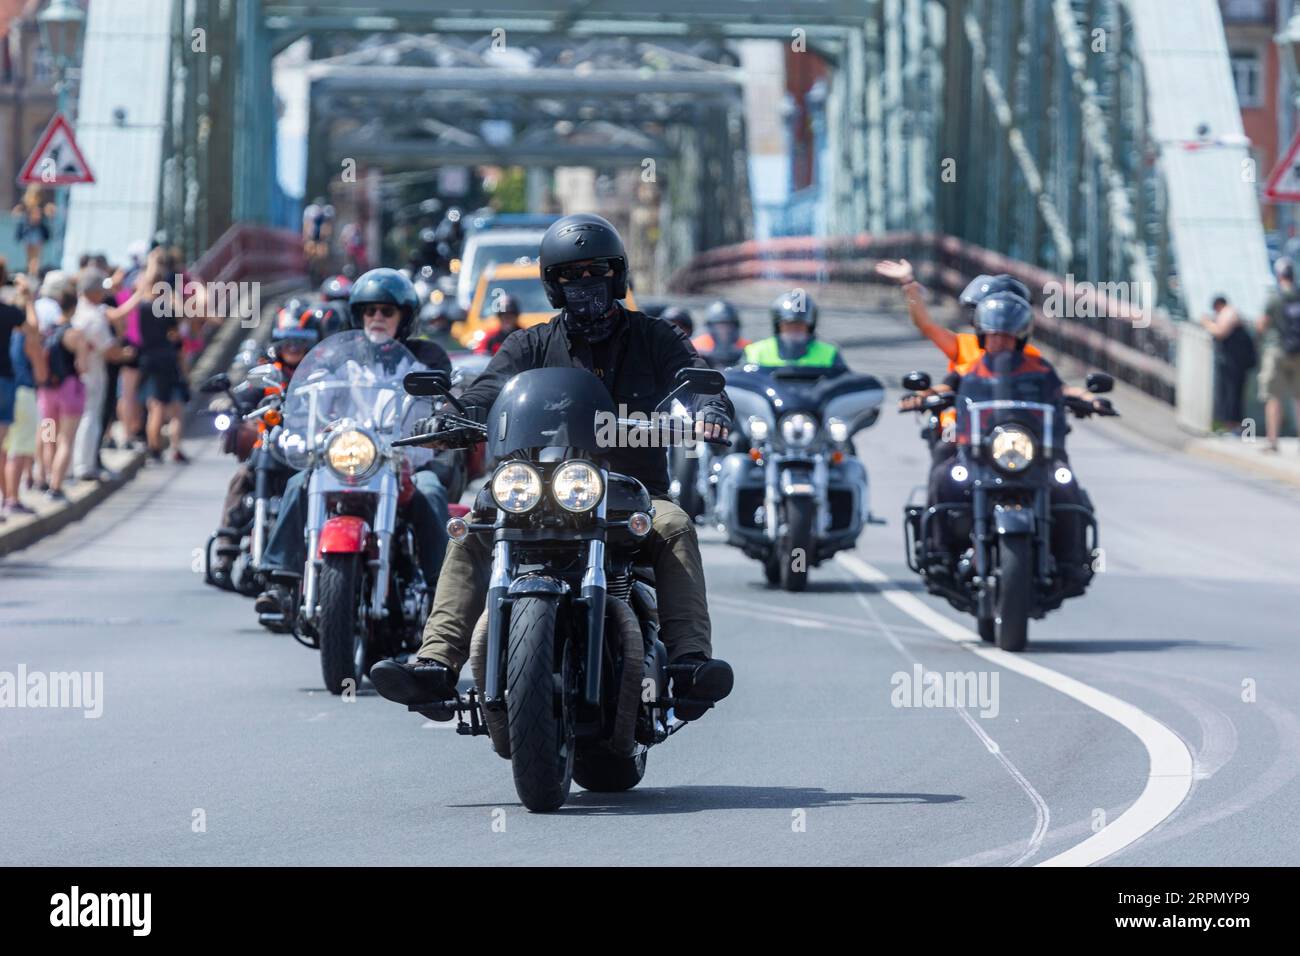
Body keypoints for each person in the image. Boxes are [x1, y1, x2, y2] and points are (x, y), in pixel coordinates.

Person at [369, 213, 735, 721]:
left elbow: (696, 379)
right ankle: (434, 665)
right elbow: (484, 392)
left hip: (632, 492)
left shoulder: (655, 337)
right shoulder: (530, 344)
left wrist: (709, 411)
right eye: (570, 276)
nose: (585, 284)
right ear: (553, 285)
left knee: (674, 524)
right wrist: (451, 416)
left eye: (596, 272)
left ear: (617, 276)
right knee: (472, 526)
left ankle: (690, 664)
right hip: (536, 491)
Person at [254, 269, 453, 621]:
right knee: (299, 483)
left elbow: (438, 401)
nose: (376, 318)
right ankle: (282, 581)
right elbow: (310, 394)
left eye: (386, 311)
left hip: (402, 457)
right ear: (358, 315)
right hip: (347, 457)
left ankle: (443, 592)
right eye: (369, 311)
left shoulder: (424, 357)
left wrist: (433, 425)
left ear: (403, 317)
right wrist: (302, 420)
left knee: (431, 490)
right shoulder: (338, 357)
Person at [916, 293, 1104, 594]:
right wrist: (924, 397)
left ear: (1019, 338)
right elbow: (947, 387)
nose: (999, 342)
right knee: (943, 477)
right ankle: (938, 553)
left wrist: (1089, 399)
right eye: (993, 336)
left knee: (1067, 486)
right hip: (982, 451)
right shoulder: (971, 370)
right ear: (981, 336)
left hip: (1033, 452)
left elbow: (1063, 389)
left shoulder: (1039, 368)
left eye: (1006, 336)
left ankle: (1072, 561)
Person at [211, 307, 321, 577]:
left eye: (300, 341)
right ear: (277, 343)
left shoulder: (321, 374)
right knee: (240, 479)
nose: (294, 347)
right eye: (288, 340)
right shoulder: (267, 373)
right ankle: (225, 553)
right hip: (271, 445)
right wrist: (227, 404)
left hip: (308, 453)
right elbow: (245, 394)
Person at [70, 267, 134, 482]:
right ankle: (83, 465)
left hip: (67, 379)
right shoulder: (94, 318)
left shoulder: (78, 311)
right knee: (89, 419)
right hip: (91, 376)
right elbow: (111, 352)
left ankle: (64, 467)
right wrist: (125, 353)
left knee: (57, 423)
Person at [34, 278, 83, 501]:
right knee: (65, 439)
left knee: (48, 437)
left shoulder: (48, 330)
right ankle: (55, 486)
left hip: (46, 393)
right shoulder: (74, 333)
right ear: (74, 306)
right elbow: (83, 365)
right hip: (69, 390)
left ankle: (42, 478)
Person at [3, 275, 44, 515]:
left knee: (8, 447)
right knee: (21, 446)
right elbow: (39, 369)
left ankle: (11, 492)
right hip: (25, 393)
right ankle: (13, 497)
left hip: (10, 390)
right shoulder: (25, 336)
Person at [743, 290, 849, 373]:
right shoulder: (755, 352)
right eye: (788, 324)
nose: (794, 330)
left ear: (810, 326)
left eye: (800, 325)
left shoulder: (829, 354)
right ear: (778, 326)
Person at [1256, 258, 1300, 452]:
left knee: (1273, 396)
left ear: (1279, 275)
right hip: (1298, 351)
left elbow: (1262, 324)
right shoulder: (1298, 295)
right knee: (1299, 397)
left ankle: (1273, 441)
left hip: (1276, 350)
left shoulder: (1274, 298)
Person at [1199, 294, 1256, 434]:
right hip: (1231, 363)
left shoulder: (1229, 312)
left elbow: (1220, 332)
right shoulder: (1229, 313)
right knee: (1228, 394)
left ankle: (1232, 427)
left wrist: (1207, 323)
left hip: (1235, 363)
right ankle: (1227, 426)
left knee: (1232, 395)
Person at [12, 186, 55, 278]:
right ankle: (32, 273)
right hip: (32, 232)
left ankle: (32, 273)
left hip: (30, 232)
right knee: (34, 256)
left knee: (32, 256)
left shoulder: (29, 203)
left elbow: (16, 214)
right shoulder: (36, 204)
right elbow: (17, 214)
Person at [691, 299, 750, 367]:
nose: (724, 330)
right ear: (709, 326)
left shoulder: (747, 348)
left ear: (736, 326)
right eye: (719, 326)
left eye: (728, 325)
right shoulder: (696, 346)